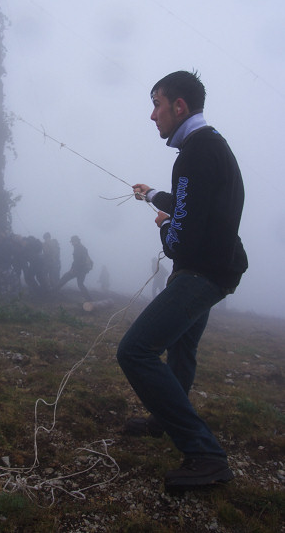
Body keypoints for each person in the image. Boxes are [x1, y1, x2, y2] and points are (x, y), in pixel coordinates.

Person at [117, 71, 248, 490]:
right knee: (182, 348)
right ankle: (164, 419)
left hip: (200, 273)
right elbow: (193, 203)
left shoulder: (193, 154)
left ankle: (205, 454)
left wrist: (163, 225)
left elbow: (180, 242)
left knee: (135, 350)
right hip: (219, 267)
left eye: (157, 104)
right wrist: (154, 195)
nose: (152, 115)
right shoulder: (212, 146)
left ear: (180, 106)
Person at [56, 236, 93, 301]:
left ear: (77, 241)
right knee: (80, 284)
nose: (72, 243)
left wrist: (72, 269)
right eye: (72, 242)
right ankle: (89, 299)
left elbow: (77, 261)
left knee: (65, 277)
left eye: (73, 242)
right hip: (83, 270)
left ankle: (54, 291)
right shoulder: (81, 248)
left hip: (79, 269)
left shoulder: (79, 248)